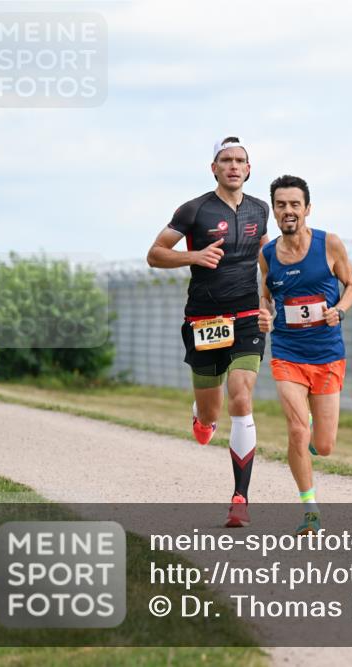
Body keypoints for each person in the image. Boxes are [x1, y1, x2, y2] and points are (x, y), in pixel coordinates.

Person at [146, 136, 269, 528]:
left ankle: (240, 499)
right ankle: (201, 417)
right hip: (205, 321)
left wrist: (270, 305)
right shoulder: (194, 210)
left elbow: (267, 261)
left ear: (249, 169)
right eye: (226, 160)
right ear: (213, 168)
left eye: (240, 160)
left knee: (241, 395)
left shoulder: (260, 209)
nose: (234, 166)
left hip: (248, 316)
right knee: (212, 410)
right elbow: (155, 254)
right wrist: (193, 256)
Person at [258, 175, 352, 535]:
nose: (288, 211)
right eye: (281, 205)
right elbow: (266, 295)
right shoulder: (267, 254)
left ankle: (314, 435)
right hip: (287, 352)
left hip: (328, 354)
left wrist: (340, 310)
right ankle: (310, 509)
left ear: (307, 209)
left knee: (324, 445)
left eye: (294, 204)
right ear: (274, 210)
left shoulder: (328, 244)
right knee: (298, 430)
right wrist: (264, 314)